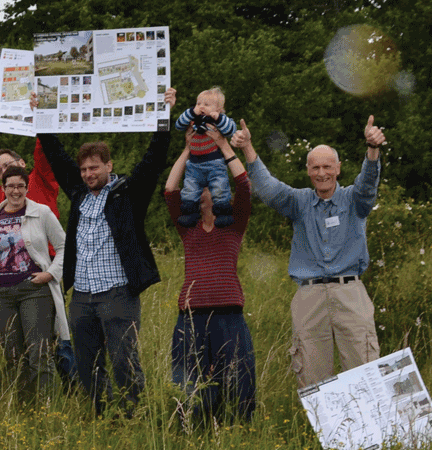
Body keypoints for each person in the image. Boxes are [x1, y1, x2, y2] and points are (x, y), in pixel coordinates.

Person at [41, 87, 177, 416]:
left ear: (108, 165)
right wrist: (41, 116)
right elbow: (57, 157)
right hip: (83, 296)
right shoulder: (79, 193)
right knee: (88, 364)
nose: (89, 174)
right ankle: (98, 416)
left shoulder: (127, 192)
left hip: (118, 293)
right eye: (84, 169)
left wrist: (165, 114)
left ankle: (133, 414)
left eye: (94, 168)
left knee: (122, 359)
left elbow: (154, 159)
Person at [232, 116, 387, 388]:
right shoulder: (299, 202)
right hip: (309, 297)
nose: (321, 173)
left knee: (365, 370)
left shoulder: (355, 200)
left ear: (338, 168)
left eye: (327, 166)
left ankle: (371, 430)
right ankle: (323, 431)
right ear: (307, 170)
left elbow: (368, 182)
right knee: (313, 381)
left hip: (350, 292)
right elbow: (269, 189)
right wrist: (247, 148)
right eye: (315, 167)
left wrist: (372, 149)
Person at [164, 127, 256, 425]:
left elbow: (243, 184)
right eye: (199, 182)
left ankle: (239, 427)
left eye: (211, 182)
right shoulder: (187, 227)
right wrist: (189, 148)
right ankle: (192, 428)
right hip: (191, 315)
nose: (206, 186)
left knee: (237, 377)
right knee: (189, 381)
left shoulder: (233, 224)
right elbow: (170, 190)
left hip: (229, 313)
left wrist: (222, 145)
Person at [0, 165, 67, 399]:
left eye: (20, 186)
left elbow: (64, 247)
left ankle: (46, 407)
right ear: (3, 188)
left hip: (34, 290)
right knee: (13, 355)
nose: (15, 191)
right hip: (2, 294)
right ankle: (24, 407)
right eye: (10, 186)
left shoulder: (41, 212)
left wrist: (51, 273)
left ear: (27, 187)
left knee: (38, 351)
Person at [172, 87, 238, 228]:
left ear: (218, 109)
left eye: (206, 105)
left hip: (214, 162)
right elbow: (178, 125)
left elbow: (230, 129)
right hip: (194, 164)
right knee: (190, 189)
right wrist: (191, 112)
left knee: (220, 187)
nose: (201, 107)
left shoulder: (219, 121)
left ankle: (223, 214)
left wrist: (218, 118)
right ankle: (190, 213)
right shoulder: (192, 119)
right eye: (198, 104)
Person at [0, 123, 61, 215]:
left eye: (7, 165)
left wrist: (40, 116)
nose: (4, 171)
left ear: (22, 163)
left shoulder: (40, 178)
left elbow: (44, 148)